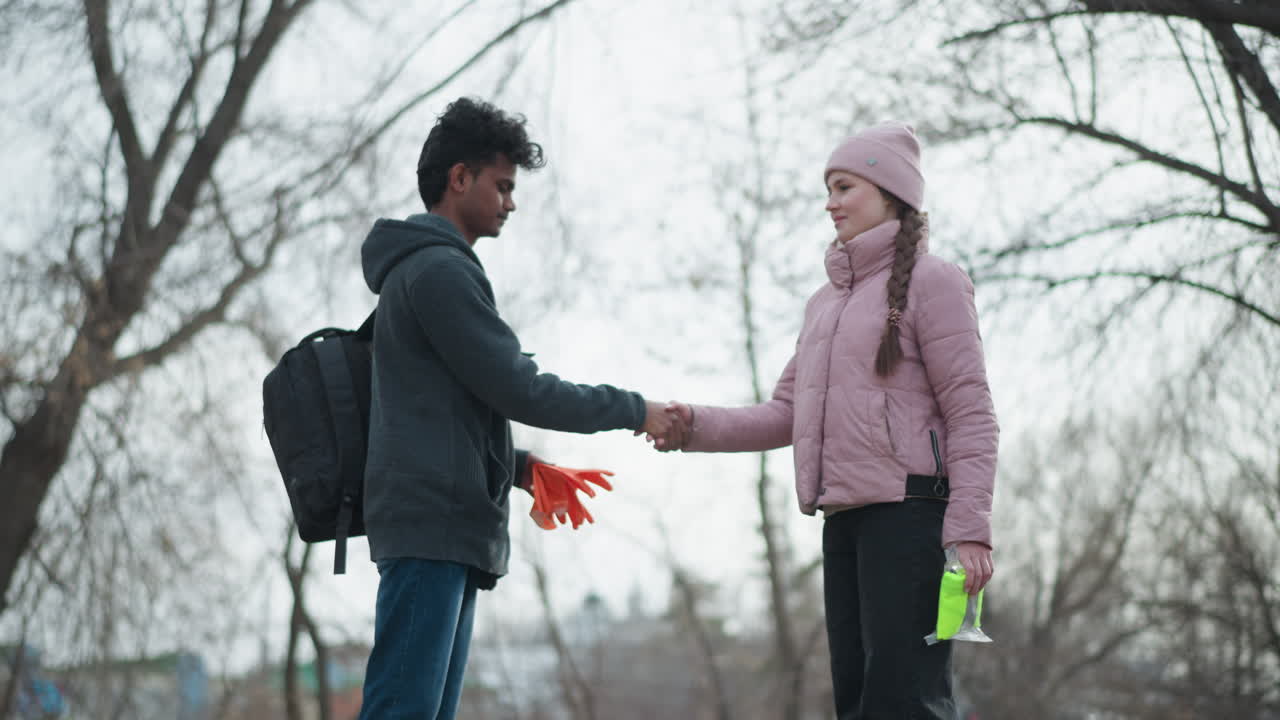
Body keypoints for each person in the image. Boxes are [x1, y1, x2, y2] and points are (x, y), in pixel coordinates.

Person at [358, 97, 680, 720]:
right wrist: (636, 409)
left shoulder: (427, 271)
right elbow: (519, 388)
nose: (511, 201)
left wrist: (521, 467)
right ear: (459, 179)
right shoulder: (437, 272)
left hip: (444, 525)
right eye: (502, 185)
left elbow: (445, 412)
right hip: (431, 525)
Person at [661, 123, 998, 719]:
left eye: (844, 186)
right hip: (843, 522)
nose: (830, 202)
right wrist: (693, 426)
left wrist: (970, 529)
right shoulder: (825, 305)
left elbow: (971, 412)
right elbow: (787, 414)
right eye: (828, 188)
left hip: (912, 519)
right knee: (857, 704)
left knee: (906, 705)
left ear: (890, 192)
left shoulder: (935, 282)